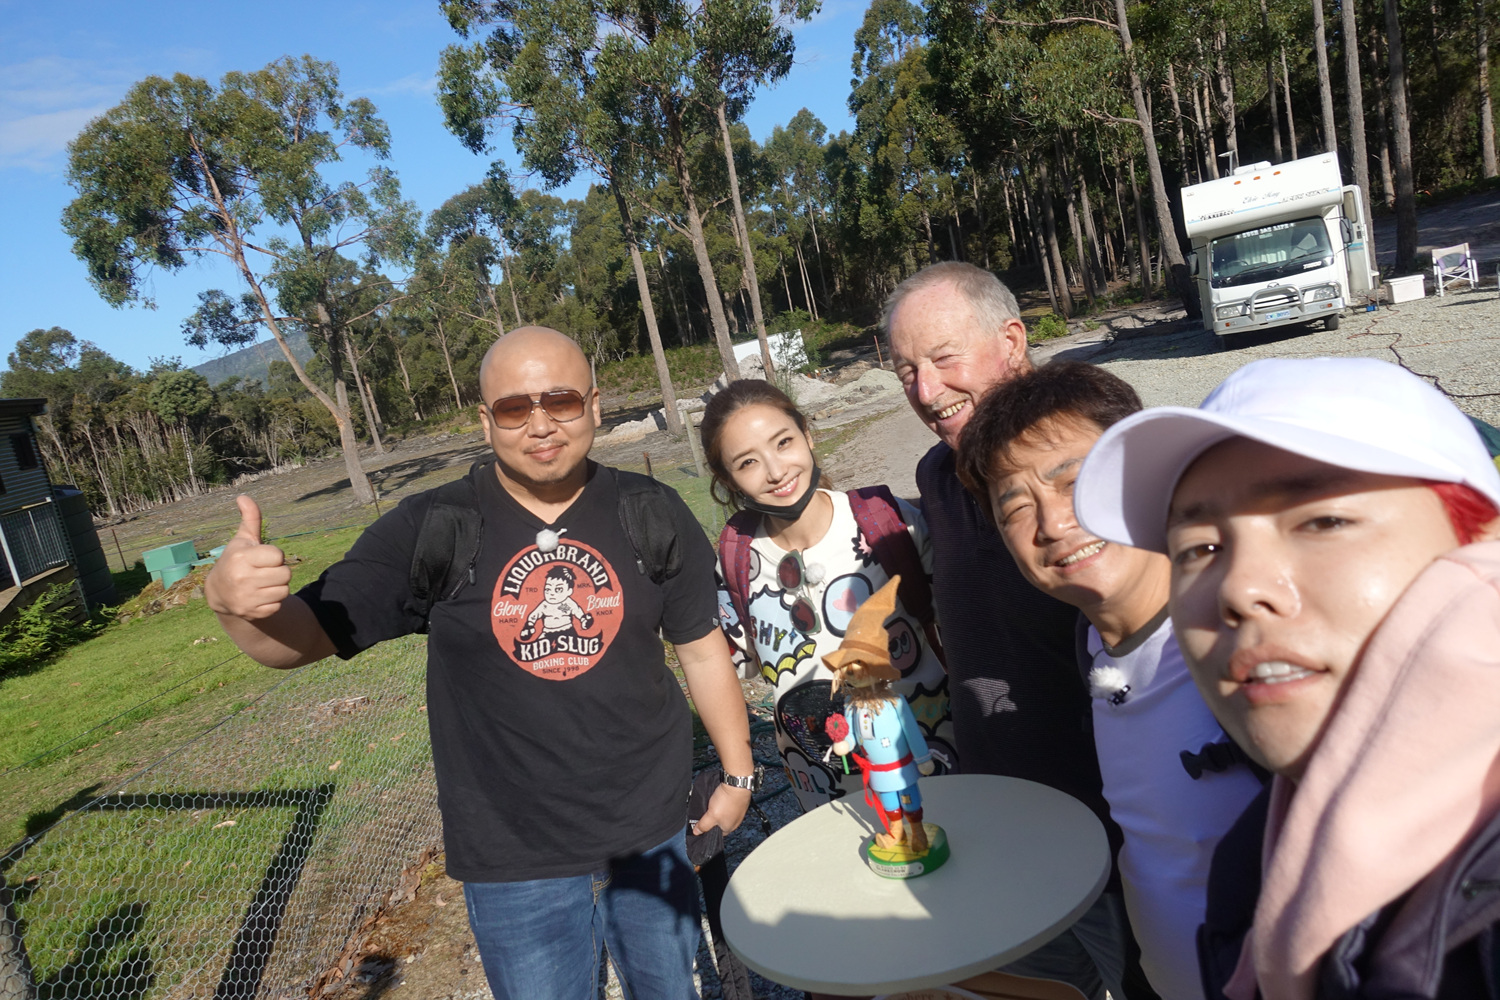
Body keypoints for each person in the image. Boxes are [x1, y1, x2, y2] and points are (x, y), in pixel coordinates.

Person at [204, 326, 755, 1000]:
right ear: (485, 421)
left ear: (594, 405)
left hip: (653, 830)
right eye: (515, 408)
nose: (541, 424)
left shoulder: (651, 511)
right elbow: (303, 638)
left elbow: (700, 647)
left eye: (561, 401)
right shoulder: (433, 527)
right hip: (513, 860)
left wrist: (738, 774)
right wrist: (240, 611)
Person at [1072, 356, 1500, 1000]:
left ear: (1482, 542)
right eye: (1199, 549)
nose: (1238, 589)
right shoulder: (1257, 856)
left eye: (1322, 521)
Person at [954, 360, 1264, 1000]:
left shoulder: (1241, 642)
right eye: (1017, 507)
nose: (1052, 524)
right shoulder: (1091, 642)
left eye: (1074, 481)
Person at [885, 261, 1132, 999]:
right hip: (1001, 815)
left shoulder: (1089, 458)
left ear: (1013, 341)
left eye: (943, 358)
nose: (926, 390)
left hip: (1115, 825)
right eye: (906, 370)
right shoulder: (937, 476)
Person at [699, 379, 955, 815]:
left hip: (932, 768)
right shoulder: (734, 560)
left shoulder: (890, 525)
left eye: (783, 442)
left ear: (807, 434)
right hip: (823, 795)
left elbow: (963, 627)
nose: (776, 471)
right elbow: (733, 664)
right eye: (747, 462)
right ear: (727, 478)